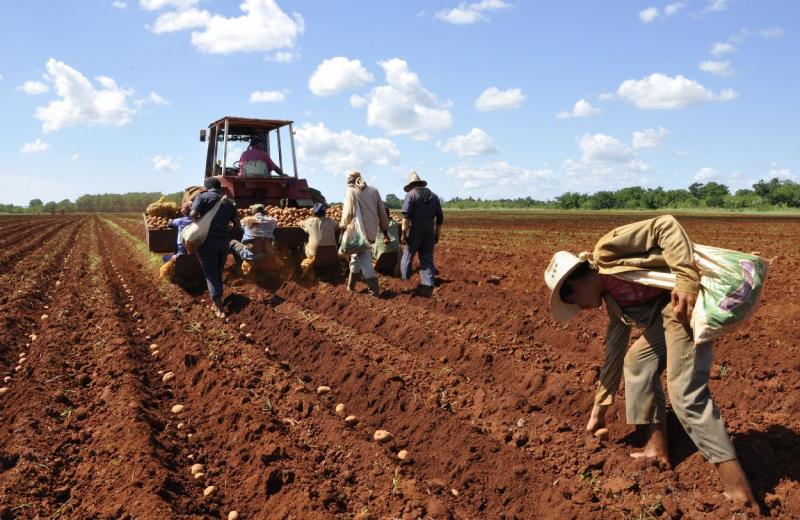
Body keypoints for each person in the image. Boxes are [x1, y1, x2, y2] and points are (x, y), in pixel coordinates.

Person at [543, 215, 758, 512]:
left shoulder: (607, 252)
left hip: (684, 303)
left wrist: (685, 278)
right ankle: (656, 448)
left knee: (684, 392)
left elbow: (665, 225)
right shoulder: (616, 306)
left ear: (577, 284)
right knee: (637, 361)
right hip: (668, 313)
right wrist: (599, 413)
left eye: (574, 302)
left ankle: (739, 490)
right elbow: (613, 359)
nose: (579, 309)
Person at [191, 177, 240, 318]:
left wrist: (201, 226)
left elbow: (193, 214)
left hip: (207, 242)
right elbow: (237, 225)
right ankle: (218, 301)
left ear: (206, 187)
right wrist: (227, 234)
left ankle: (219, 308)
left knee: (210, 273)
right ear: (219, 188)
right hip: (224, 242)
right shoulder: (229, 202)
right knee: (218, 271)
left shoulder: (202, 197)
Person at [340, 170, 390, 296]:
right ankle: (350, 286)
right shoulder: (374, 191)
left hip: (359, 232)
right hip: (372, 231)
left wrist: (343, 228)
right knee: (357, 256)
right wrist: (385, 232)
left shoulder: (351, 190)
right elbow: (382, 213)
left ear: (350, 182)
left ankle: (374, 290)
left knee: (364, 259)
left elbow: (347, 213)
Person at [400, 171, 443, 297]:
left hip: (415, 229)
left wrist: (403, 232)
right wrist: (437, 233)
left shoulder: (411, 195)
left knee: (408, 255)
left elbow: (407, 217)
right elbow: (440, 217)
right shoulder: (434, 196)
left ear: (412, 185)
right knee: (427, 257)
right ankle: (428, 283)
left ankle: (405, 282)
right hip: (430, 229)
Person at [372, 206, 401, 276]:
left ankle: (373, 269)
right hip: (395, 249)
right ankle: (396, 271)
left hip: (382, 250)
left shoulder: (376, 224)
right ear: (388, 214)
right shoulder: (395, 223)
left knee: (367, 248)